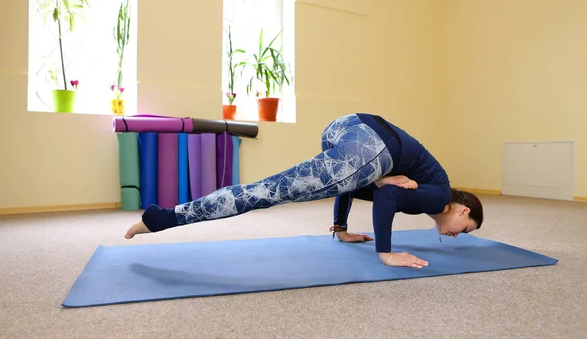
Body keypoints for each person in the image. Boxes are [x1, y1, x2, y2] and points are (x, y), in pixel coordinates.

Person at [125, 113, 484, 269]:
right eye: (463, 230)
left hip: (349, 127)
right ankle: (163, 218)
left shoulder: (430, 184)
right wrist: (386, 253)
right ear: (463, 210)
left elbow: (358, 188)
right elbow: (388, 198)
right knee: (265, 192)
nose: (455, 235)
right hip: (372, 147)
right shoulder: (438, 196)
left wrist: (342, 228)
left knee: (349, 179)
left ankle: (164, 217)